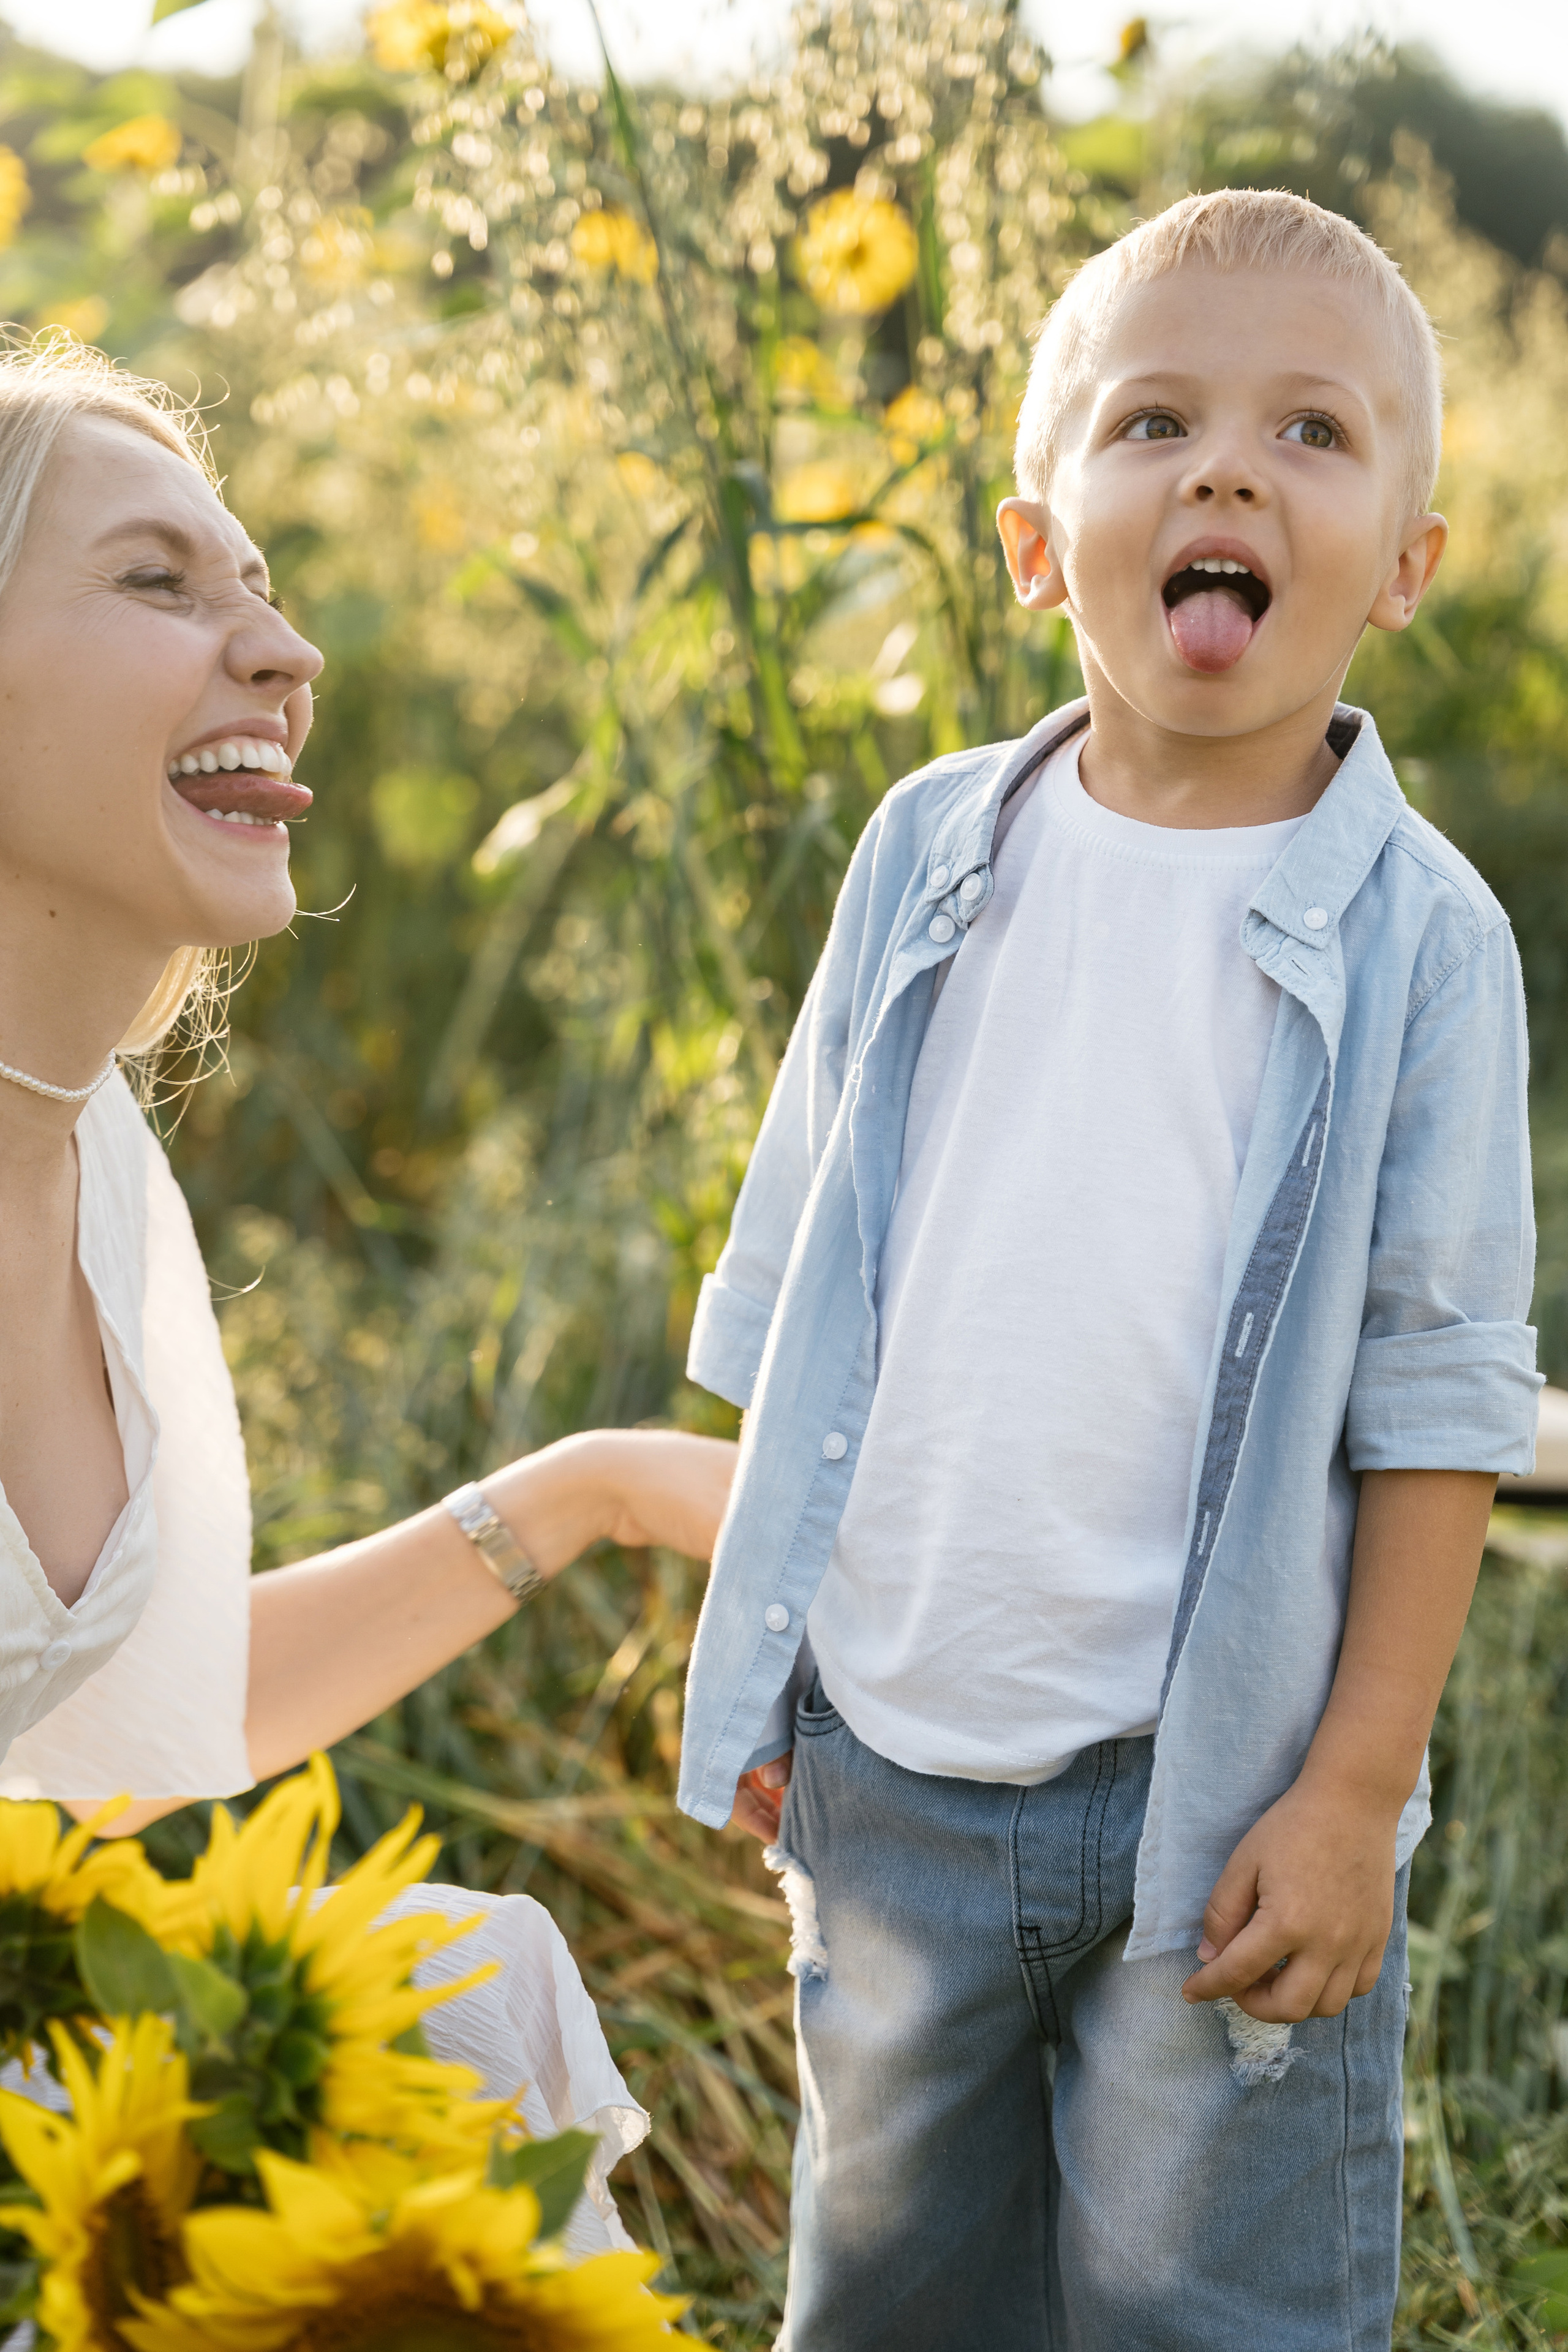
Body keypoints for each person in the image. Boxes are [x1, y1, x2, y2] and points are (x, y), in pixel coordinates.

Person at [679, 189, 1541, 2349]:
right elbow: (810, 1291)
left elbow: (1438, 1396)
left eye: (1313, 437)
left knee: (1209, 2315)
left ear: (1408, 569)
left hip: (1221, 1811)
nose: (1226, 470)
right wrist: (770, 1653)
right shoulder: (923, 856)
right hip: (893, 1767)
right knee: (889, 2298)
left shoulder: (1423, 940)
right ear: (1039, 540)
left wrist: (1354, 1793)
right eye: (1154, 420)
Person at [0, 334, 735, 2260]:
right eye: (160, 581)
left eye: (259, 583)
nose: (281, 646)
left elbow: (133, 1722)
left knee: (463, 1990)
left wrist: (594, 1490)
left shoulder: (101, 1188)